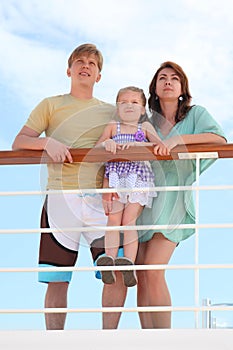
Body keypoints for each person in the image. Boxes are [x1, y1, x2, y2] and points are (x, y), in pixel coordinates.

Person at [102, 61, 226, 329]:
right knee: (143, 274)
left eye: (174, 78)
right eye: (162, 78)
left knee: (154, 270)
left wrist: (176, 142)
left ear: (182, 87)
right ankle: (150, 339)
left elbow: (218, 139)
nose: (168, 82)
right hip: (143, 198)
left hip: (173, 201)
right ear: (154, 89)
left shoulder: (195, 114)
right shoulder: (144, 120)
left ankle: (163, 340)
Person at [12, 43, 116, 330]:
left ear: (99, 75)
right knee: (57, 278)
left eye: (92, 63)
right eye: (80, 61)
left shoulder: (111, 112)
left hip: (101, 200)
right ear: (69, 70)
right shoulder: (50, 105)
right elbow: (19, 141)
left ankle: (110, 341)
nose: (85, 65)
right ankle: (54, 343)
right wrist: (47, 142)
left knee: (114, 272)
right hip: (60, 198)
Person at [95, 86, 165, 288]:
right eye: (124, 102)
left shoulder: (145, 129)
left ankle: (129, 264)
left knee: (129, 220)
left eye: (134, 102)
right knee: (113, 219)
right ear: (118, 108)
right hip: (116, 177)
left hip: (138, 178)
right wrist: (106, 143)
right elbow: (96, 148)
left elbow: (159, 147)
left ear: (143, 109)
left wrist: (139, 147)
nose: (129, 105)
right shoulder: (112, 127)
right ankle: (108, 261)